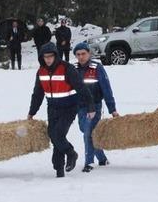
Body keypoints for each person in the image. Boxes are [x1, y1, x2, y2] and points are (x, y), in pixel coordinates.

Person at [27, 43, 94, 178]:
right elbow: (37, 94)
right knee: (54, 135)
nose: (48, 59)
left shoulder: (67, 68)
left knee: (57, 134)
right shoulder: (41, 71)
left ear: (56, 55)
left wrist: (90, 107)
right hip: (52, 107)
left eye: (51, 56)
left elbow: (81, 88)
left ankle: (71, 154)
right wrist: (32, 112)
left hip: (69, 107)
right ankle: (59, 169)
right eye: (45, 57)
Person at [73, 42, 119, 172]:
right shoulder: (74, 68)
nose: (81, 57)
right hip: (80, 107)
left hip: (95, 106)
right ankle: (102, 158)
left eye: (83, 54)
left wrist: (112, 109)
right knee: (87, 131)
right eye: (78, 54)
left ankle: (89, 162)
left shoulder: (96, 67)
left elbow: (106, 88)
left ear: (89, 54)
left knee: (88, 132)